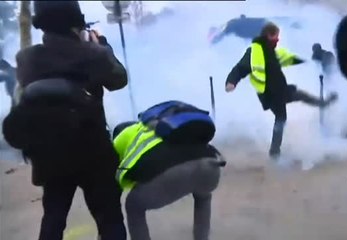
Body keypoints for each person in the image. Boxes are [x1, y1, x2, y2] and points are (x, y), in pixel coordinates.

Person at [6, 1, 128, 239]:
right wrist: (103, 46)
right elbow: (119, 80)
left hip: (50, 155)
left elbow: (22, 96)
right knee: (110, 219)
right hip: (93, 151)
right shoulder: (93, 53)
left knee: (53, 219)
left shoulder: (26, 59)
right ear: (75, 23)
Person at [225, 22, 338, 159]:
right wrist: (231, 81)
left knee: (300, 97)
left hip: (281, 90)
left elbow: (287, 59)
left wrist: (305, 61)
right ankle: (274, 152)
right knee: (281, 118)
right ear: (268, 35)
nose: (278, 40)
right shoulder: (254, 51)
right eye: (276, 37)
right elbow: (240, 68)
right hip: (270, 94)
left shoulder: (270, 50)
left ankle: (323, 103)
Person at [113, 112, 225, 240]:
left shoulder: (122, 136)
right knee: (203, 196)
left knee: (133, 204)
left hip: (173, 171)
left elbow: (108, 172)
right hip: (211, 164)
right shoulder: (157, 128)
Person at [208, 14, 300, 45]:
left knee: (279, 23)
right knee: (279, 22)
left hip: (259, 26)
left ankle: (297, 23)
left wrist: (212, 42)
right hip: (258, 28)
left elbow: (221, 35)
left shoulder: (227, 25)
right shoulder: (229, 25)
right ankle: (297, 23)